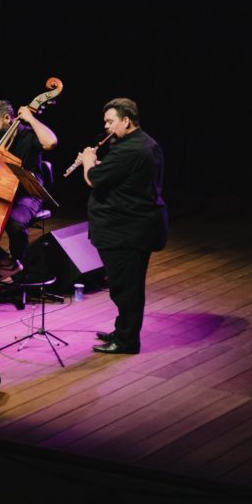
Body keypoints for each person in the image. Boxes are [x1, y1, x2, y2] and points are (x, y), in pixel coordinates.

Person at [78, 97, 167, 355]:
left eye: (110, 121)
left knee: (126, 289)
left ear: (126, 121)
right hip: (132, 228)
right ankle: (123, 331)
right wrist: (98, 163)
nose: (106, 126)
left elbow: (94, 180)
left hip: (126, 231)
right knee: (126, 286)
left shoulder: (130, 150)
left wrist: (87, 161)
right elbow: (123, 179)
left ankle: (127, 341)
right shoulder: (146, 143)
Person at [0, 100, 58, 281]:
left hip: (28, 193)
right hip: (1, 192)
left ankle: (22, 274)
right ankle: (6, 263)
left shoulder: (29, 135)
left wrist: (30, 118)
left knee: (15, 223)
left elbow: (50, 143)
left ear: (7, 118)